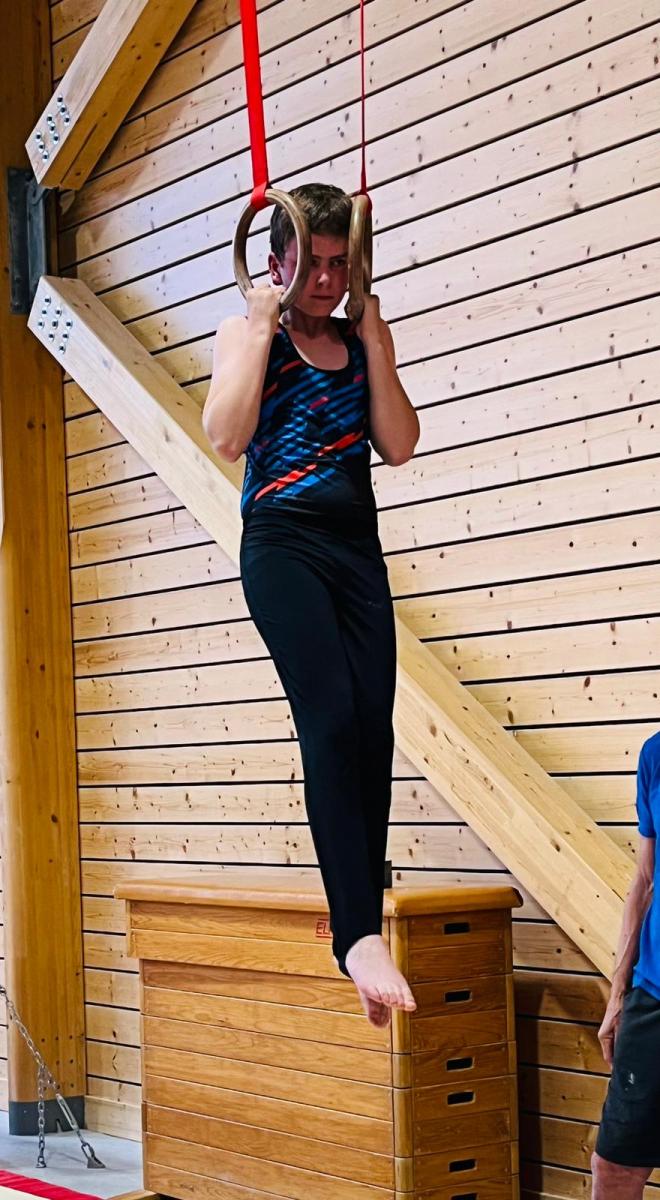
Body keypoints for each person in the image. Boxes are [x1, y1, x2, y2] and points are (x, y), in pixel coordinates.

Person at [202, 182, 420, 1027]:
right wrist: (262, 328)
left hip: (355, 548)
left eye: (340, 264)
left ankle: (364, 927)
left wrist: (378, 343)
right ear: (276, 262)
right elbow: (227, 436)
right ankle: (356, 933)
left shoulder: (359, 338)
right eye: (313, 264)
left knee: (372, 728)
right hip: (283, 544)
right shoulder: (246, 332)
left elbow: (398, 445)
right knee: (329, 717)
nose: (327, 281)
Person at [592, 729, 659, 1197]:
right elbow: (646, 879)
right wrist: (618, 993)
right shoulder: (656, 754)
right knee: (613, 1167)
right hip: (652, 996)